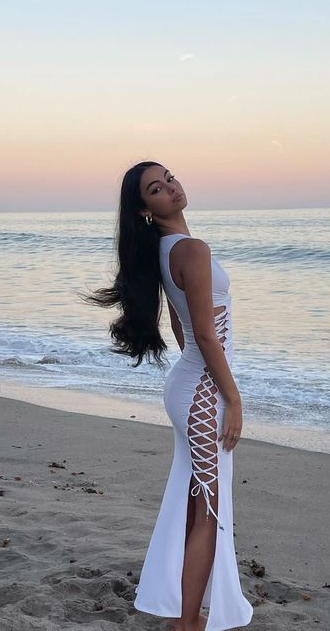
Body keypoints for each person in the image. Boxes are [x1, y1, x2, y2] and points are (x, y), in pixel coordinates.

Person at [83, 161, 253, 630]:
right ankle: (187, 622)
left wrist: (198, 369)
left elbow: (182, 325)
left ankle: (188, 613)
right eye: (156, 189)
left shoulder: (165, 251)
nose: (171, 188)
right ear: (145, 209)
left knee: (197, 501)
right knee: (208, 510)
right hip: (203, 393)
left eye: (169, 178)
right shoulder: (191, 249)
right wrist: (232, 399)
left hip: (189, 385)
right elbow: (204, 331)